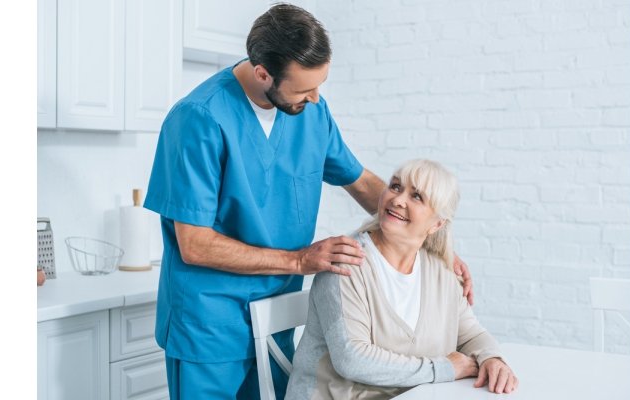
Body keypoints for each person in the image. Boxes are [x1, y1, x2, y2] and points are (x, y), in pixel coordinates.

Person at [144, 4, 474, 399]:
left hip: (276, 314)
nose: (316, 98)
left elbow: (363, 182)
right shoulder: (198, 119)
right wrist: (300, 260)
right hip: (210, 326)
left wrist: (435, 247)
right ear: (263, 72)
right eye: (304, 89)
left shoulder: (310, 113)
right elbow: (193, 245)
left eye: (320, 84)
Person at [286, 159, 518, 399]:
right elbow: (352, 359)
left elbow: (471, 334)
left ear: (437, 224)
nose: (397, 199)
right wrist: (445, 368)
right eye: (395, 186)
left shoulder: (442, 272)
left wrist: (492, 358)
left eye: (416, 196)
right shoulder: (346, 262)